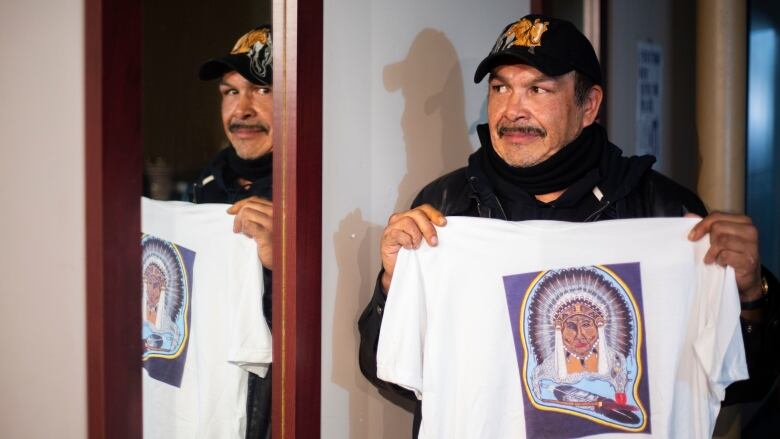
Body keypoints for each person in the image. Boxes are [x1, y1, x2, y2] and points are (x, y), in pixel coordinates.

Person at [358, 14, 779, 437]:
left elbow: (740, 382)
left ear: (589, 105)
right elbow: (395, 374)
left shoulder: (666, 215)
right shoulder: (446, 215)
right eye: (500, 87)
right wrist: (392, 284)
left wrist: (750, 295)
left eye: (537, 89)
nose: (511, 110)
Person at [194, 25, 274, 439]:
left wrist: (283, 267)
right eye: (230, 92)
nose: (241, 110)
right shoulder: (205, 185)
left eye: (261, 90)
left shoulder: (319, 195)